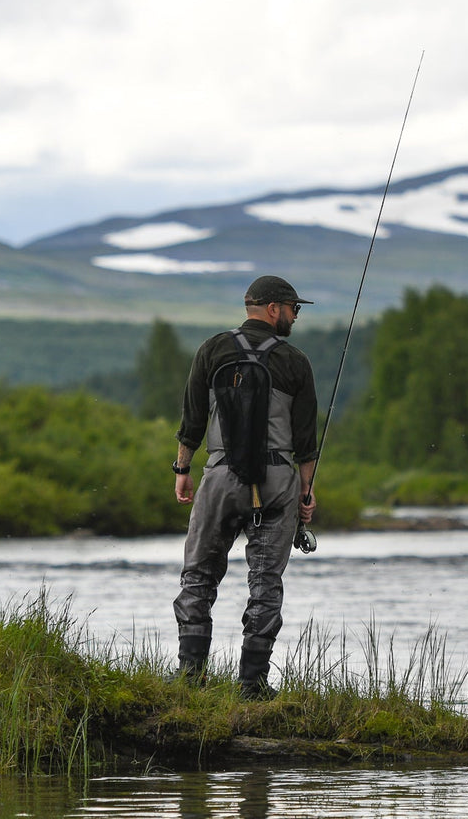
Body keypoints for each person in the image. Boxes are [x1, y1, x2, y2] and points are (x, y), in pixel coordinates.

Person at [171, 275, 319, 699]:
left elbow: (192, 418)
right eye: (294, 308)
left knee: (198, 575)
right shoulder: (295, 361)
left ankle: (190, 679)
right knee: (265, 581)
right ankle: (252, 684)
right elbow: (305, 441)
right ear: (273, 308)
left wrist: (182, 469)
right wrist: (305, 493)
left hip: (219, 477)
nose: (294, 315)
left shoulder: (212, 350)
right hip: (277, 481)